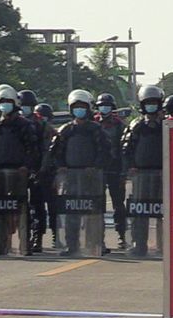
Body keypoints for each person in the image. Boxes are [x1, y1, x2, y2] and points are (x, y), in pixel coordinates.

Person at [49, 90, 109, 257]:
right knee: (71, 214)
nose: (79, 110)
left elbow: (104, 151)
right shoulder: (66, 130)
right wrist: (61, 166)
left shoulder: (96, 129)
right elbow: (56, 151)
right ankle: (71, 245)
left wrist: (95, 166)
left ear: (89, 108)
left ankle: (96, 243)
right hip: (71, 178)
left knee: (94, 213)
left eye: (82, 107)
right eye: (76, 107)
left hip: (91, 177)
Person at [0, 84, 38, 255]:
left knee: (21, 208)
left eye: (7, 101)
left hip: (18, 173)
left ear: (15, 103)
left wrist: (26, 166)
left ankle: (24, 243)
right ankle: (0, 243)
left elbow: (32, 149)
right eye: (1, 102)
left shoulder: (25, 125)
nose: (4, 105)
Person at [121, 85, 165, 256]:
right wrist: (130, 167)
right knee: (140, 212)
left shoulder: (166, 126)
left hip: (163, 175)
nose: (151, 106)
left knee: (163, 212)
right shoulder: (136, 125)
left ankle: (164, 246)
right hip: (140, 175)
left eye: (154, 103)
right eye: (148, 103)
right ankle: (139, 244)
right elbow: (126, 148)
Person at [94, 93, 128, 251]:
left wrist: (123, 171)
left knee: (118, 205)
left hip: (115, 168)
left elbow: (124, 149)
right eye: (102, 105)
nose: (104, 108)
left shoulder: (119, 125)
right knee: (97, 206)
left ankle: (121, 236)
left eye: (107, 105)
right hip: (98, 169)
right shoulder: (93, 123)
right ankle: (98, 240)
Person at [19, 89, 47, 252]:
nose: (25, 108)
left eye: (28, 106)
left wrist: (41, 169)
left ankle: (38, 238)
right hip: (19, 171)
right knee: (22, 206)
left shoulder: (41, 125)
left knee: (37, 206)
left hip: (36, 170)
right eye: (22, 105)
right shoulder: (16, 124)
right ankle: (25, 238)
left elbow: (46, 149)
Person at [34, 103, 59, 248]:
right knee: (37, 208)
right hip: (36, 173)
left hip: (50, 173)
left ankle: (56, 235)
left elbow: (55, 154)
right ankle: (37, 237)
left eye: (44, 117)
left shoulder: (53, 134)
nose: (41, 119)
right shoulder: (31, 130)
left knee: (53, 208)